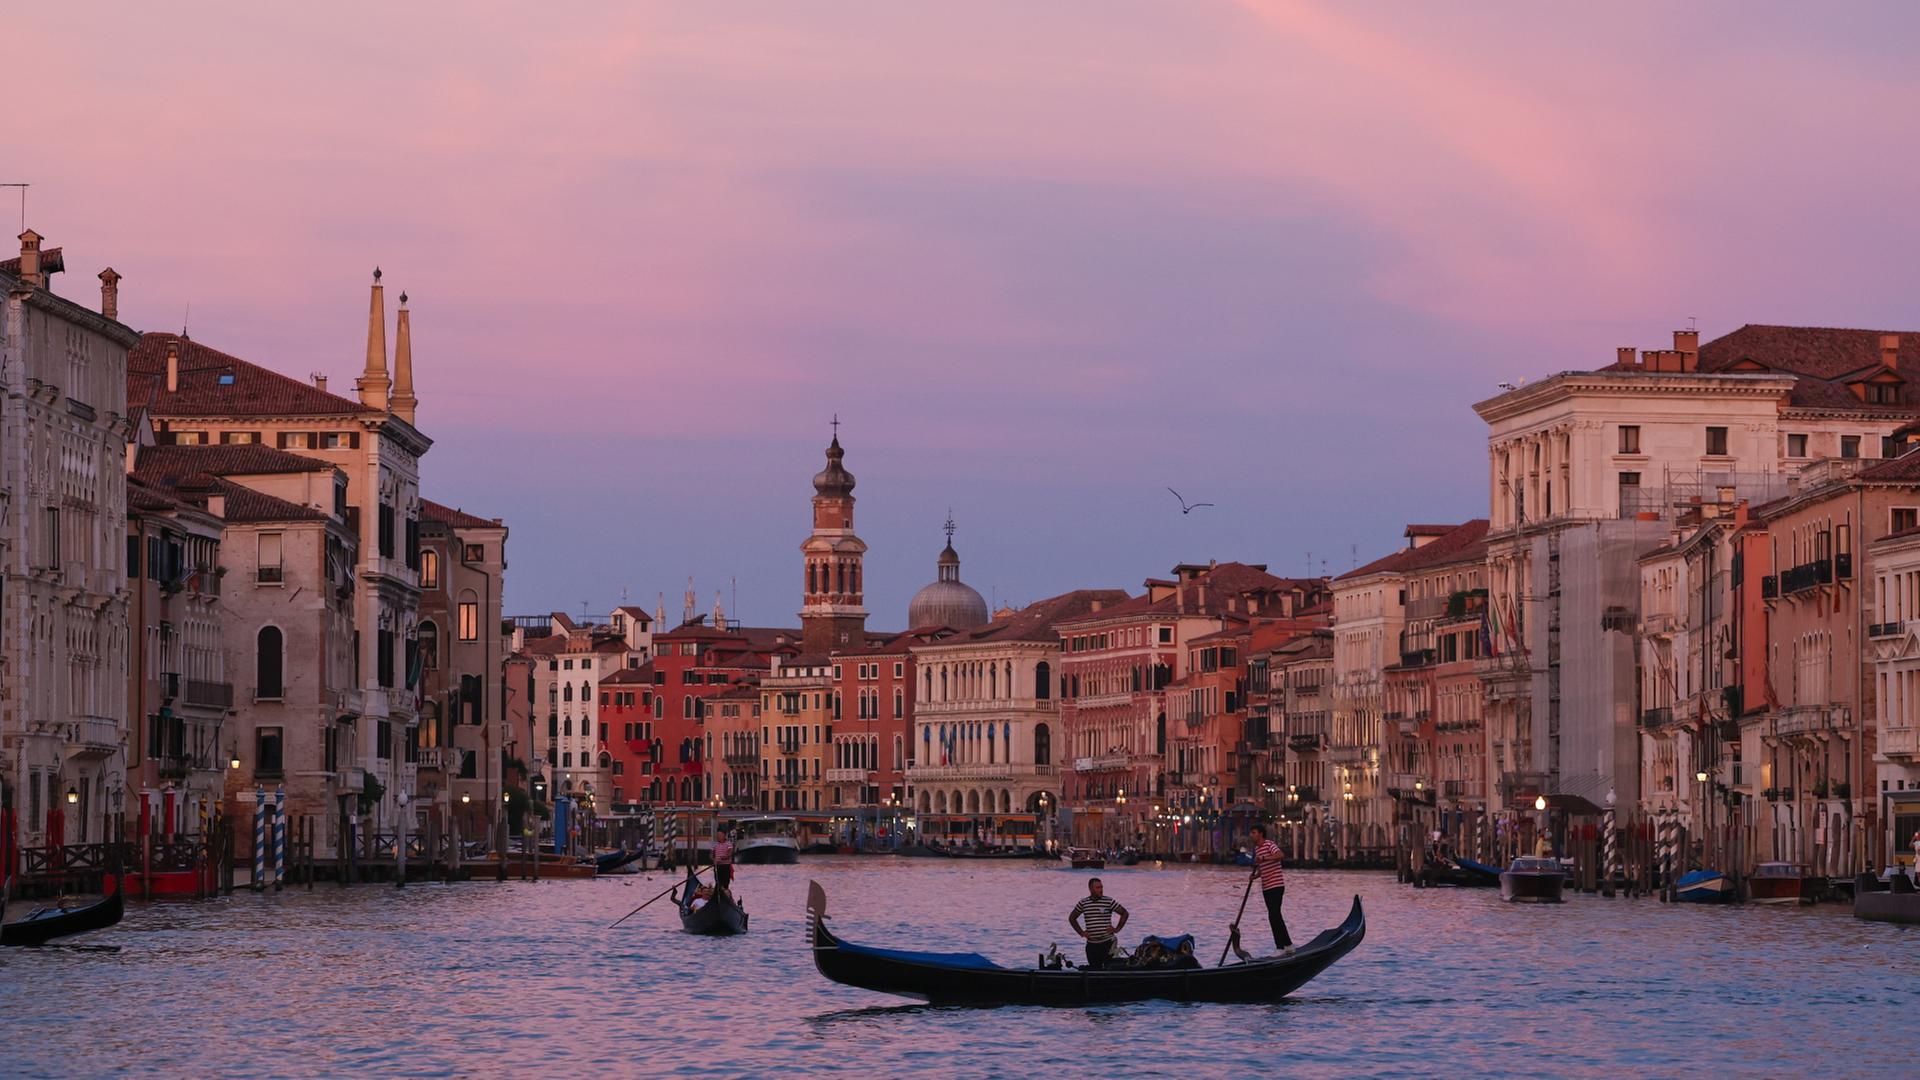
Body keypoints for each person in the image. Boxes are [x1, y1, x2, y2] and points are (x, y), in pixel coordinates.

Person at [1249, 825, 1293, 955]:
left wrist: (1264, 858)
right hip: (1266, 887)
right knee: (1275, 916)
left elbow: (1280, 855)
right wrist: (1255, 876)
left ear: (1261, 834)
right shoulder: (1257, 849)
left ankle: (1280, 947)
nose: (1251, 835)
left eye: (1254, 832)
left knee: (1273, 915)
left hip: (1276, 885)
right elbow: (1263, 869)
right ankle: (1288, 945)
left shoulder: (1269, 844)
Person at [1068, 877, 1128, 968]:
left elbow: (1124, 913)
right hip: (1092, 945)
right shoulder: (1084, 903)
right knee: (1094, 970)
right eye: (1098, 888)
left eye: (1101, 887)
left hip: (1107, 943)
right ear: (1091, 889)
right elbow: (1072, 918)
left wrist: (1117, 929)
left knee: (1109, 968)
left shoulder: (1108, 901)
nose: (1101, 890)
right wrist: (1081, 932)